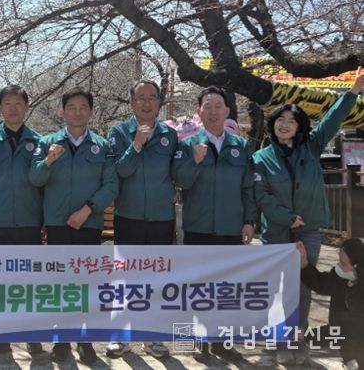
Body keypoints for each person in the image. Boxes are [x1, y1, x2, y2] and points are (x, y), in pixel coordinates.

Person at [253, 72, 364, 364]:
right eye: (280, 119)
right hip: (277, 231)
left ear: (300, 126)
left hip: (309, 231)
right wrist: (288, 218)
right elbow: (262, 196)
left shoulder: (311, 147)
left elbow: (332, 120)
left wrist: (353, 91)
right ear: (272, 124)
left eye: (291, 121)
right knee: (278, 288)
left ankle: (297, 339)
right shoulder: (261, 158)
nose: (284, 124)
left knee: (304, 286)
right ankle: (279, 340)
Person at [29, 87, 118, 364]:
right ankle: (61, 340)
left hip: (88, 224)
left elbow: (111, 185)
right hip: (57, 225)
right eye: (72, 107)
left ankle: (85, 340)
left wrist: (88, 209)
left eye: (83, 107)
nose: (77, 112)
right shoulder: (47, 143)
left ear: (90, 111)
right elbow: (35, 179)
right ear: (62, 111)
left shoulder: (102, 146)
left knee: (86, 284)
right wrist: (48, 161)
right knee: (60, 285)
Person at [173, 86, 258, 363]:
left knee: (226, 289)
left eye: (218, 106)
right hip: (198, 228)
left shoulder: (240, 146)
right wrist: (195, 162)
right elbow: (180, 181)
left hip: (231, 228)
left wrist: (249, 221)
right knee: (199, 288)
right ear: (198, 111)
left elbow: (248, 188)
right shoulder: (187, 144)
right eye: (207, 106)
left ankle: (222, 342)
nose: (212, 112)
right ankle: (199, 341)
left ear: (227, 111)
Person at [106, 80, 177, 360]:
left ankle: (153, 337)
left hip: (162, 218)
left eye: (152, 97)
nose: (147, 103)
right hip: (129, 216)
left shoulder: (170, 135)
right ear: (131, 101)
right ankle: (120, 337)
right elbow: (120, 171)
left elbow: (178, 174)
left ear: (159, 102)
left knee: (157, 279)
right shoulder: (119, 132)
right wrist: (136, 144)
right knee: (126, 278)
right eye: (141, 97)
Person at [0, 84, 43, 355]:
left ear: (26, 107)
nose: (13, 109)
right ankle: (1, 336)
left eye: (18, 103)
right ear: (0, 107)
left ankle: (32, 335)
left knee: (29, 282)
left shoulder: (39, 141)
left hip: (29, 221)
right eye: (7, 104)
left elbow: (43, 184)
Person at [297, 238, 364, 370]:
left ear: (358, 267)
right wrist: (304, 264)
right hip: (348, 348)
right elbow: (322, 284)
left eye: (343, 263)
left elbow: (345, 330)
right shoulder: (342, 276)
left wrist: (308, 336)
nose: (338, 266)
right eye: (339, 260)